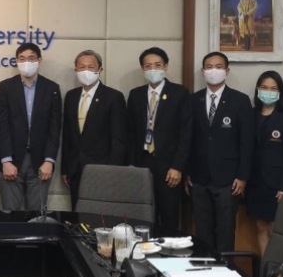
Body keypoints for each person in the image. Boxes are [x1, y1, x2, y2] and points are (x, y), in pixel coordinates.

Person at [187, 52, 254, 252]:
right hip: (199, 177)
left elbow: (246, 141)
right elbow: (187, 139)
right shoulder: (193, 100)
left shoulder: (240, 100)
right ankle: (205, 267)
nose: (213, 71)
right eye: (209, 67)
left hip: (229, 179)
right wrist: (187, 171)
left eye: (218, 67)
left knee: (225, 231)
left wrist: (243, 176)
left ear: (227, 71)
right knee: (202, 230)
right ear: (202, 72)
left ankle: (225, 268)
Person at [127, 47, 192, 230]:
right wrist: (131, 165)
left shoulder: (179, 93)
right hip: (142, 164)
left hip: (169, 167)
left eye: (157, 65)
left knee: (169, 217)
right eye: (148, 66)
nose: (153, 69)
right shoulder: (136, 94)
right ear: (143, 69)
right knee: (143, 217)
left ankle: (167, 248)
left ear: (166, 67)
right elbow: (130, 133)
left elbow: (186, 133)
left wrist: (178, 167)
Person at [0, 43, 62, 212]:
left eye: (31, 58)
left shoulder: (52, 88)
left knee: (37, 215)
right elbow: (1, 126)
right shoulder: (5, 87)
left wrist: (49, 161)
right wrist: (6, 160)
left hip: (41, 163)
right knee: (10, 214)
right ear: (16, 61)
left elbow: (54, 129)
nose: (26, 62)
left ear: (39, 60)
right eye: (22, 59)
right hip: (12, 161)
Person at [60, 50, 127, 209]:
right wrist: (65, 169)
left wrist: (114, 171)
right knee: (78, 213)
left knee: (101, 215)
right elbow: (67, 135)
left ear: (100, 70)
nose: (86, 71)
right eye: (82, 67)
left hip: (102, 169)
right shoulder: (71, 96)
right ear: (76, 70)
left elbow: (119, 139)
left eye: (91, 67)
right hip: (75, 169)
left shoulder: (113, 97)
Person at [246, 71, 283, 256]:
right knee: (261, 226)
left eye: (273, 88)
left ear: (280, 92)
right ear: (257, 89)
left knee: (275, 228)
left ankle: (279, 270)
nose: (268, 92)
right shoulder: (250, 114)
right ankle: (266, 269)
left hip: (278, 182)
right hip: (255, 182)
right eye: (264, 87)